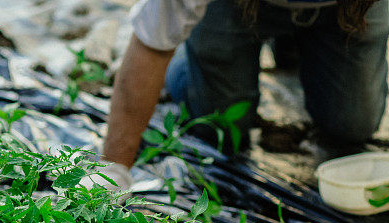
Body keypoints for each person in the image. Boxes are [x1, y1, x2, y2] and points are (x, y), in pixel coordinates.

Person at [103, 0, 389, 168]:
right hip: (236, 5)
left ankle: (298, 41)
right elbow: (153, 46)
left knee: (351, 125)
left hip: (348, 9)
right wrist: (114, 171)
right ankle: (189, 57)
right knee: (218, 131)